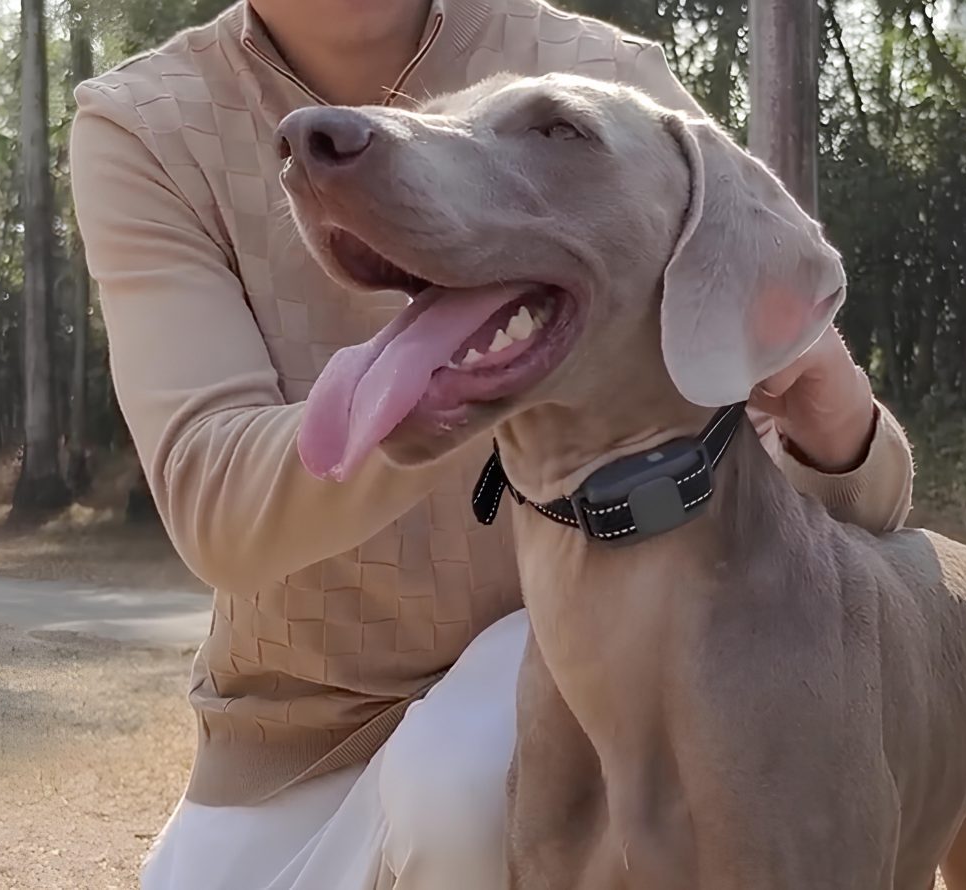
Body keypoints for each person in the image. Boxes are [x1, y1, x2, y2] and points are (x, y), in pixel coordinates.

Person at [69, 0, 916, 887]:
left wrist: (844, 433)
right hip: (287, 740)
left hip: (563, 674)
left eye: (554, 134)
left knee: (469, 779)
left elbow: (838, 503)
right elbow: (218, 505)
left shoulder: (596, 73)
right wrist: (435, 392)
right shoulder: (147, 121)